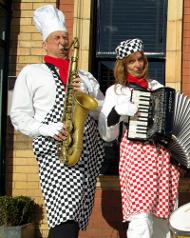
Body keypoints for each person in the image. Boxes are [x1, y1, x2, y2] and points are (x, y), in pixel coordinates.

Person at [10, 5, 105, 238]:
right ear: (45, 44)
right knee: (65, 215)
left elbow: (102, 110)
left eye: (65, 37)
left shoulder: (85, 76)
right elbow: (19, 115)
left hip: (86, 152)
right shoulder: (32, 73)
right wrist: (46, 128)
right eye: (56, 38)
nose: (62, 42)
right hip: (55, 151)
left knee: (73, 216)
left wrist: (88, 95)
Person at [98, 38, 180, 238]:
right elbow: (107, 134)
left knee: (163, 218)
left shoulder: (157, 86)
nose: (138, 65)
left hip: (161, 156)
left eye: (140, 59)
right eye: (131, 61)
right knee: (141, 217)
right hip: (136, 155)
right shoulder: (116, 91)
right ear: (123, 65)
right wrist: (117, 112)